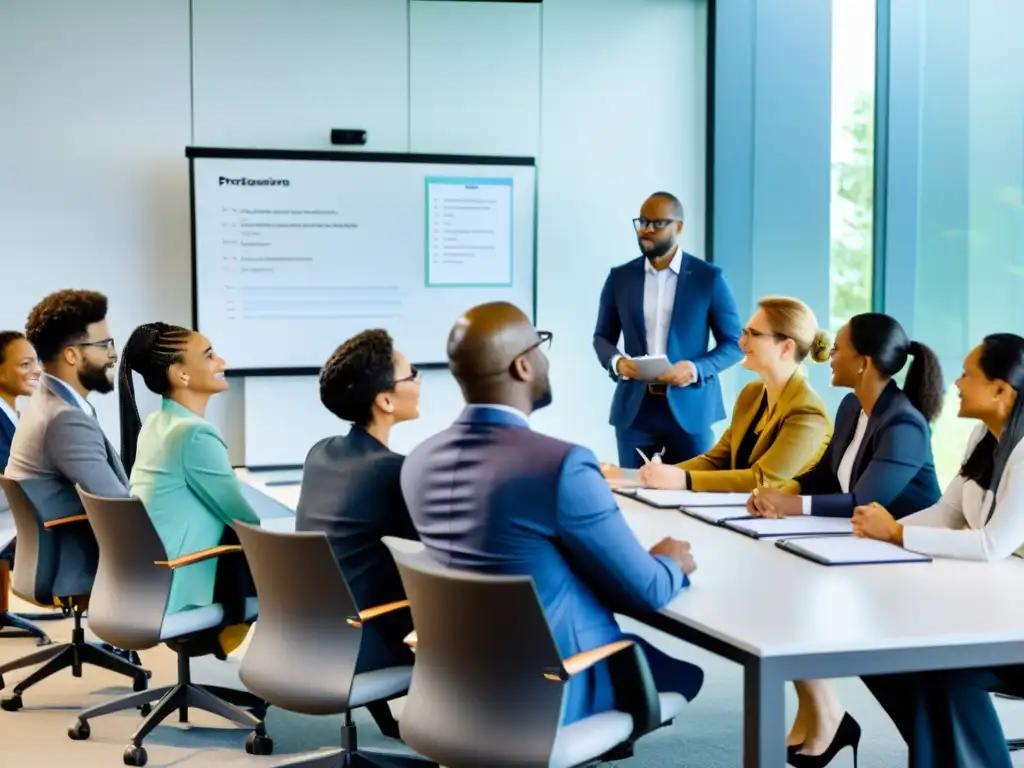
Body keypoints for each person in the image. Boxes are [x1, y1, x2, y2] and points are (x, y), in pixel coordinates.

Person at [402, 301, 703, 725]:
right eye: (540, 344)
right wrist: (671, 561)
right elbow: (648, 590)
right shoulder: (560, 465)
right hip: (552, 684)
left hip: (459, 682)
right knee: (686, 675)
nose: (545, 357)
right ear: (522, 366)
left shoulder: (419, 460)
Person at [744, 312, 945, 766]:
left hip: (907, 560)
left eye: (839, 348)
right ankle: (818, 715)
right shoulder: (853, 406)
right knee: (779, 586)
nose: (829, 354)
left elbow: (863, 498)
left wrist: (792, 507)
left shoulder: (905, 424)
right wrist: (784, 492)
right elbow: (824, 474)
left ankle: (830, 719)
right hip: (859, 547)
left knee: (796, 596)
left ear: (864, 363)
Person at [850, 333, 1024, 768]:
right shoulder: (985, 435)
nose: (956, 384)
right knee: (885, 652)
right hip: (1001, 605)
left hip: (1013, 626)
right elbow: (948, 511)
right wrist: (871, 536)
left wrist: (895, 535)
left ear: (1001, 390)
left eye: (968, 374)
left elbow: (991, 544)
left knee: (940, 667)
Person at [119, 322, 260, 639]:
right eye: (209, 356)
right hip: (178, 585)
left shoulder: (157, 423)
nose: (221, 362)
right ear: (180, 375)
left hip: (143, 583)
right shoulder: (194, 434)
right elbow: (246, 523)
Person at [605, 297, 833, 492]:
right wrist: (647, 475)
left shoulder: (808, 413)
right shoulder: (752, 394)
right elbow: (715, 460)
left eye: (753, 334)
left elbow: (764, 480)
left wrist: (683, 480)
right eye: (744, 332)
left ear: (787, 348)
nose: (741, 342)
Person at [296, 329, 421, 676]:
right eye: (411, 375)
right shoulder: (392, 471)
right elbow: (442, 549)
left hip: (307, 634)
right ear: (385, 401)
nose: (418, 380)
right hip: (361, 639)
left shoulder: (320, 451)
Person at [593, 191, 743, 468]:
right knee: (634, 495)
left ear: (679, 227)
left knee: (692, 492)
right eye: (642, 222)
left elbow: (735, 343)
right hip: (635, 411)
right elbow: (602, 336)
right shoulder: (621, 278)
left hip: (691, 409)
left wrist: (696, 369)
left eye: (656, 223)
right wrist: (618, 362)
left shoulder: (708, 278)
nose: (646, 230)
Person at [6, 290, 131, 598]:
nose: (113, 355)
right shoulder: (65, 420)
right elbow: (120, 511)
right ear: (72, 355)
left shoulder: (45, 403)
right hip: (76, 561)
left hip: (49, 553)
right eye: (104, 345)